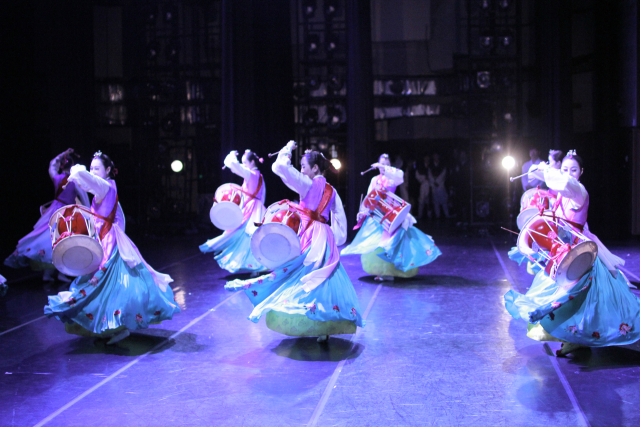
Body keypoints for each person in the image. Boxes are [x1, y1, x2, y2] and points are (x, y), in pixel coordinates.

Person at [225, 142, 363, 343]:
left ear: (314, 168)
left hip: (310, 234)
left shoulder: (307, 184)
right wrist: (337, 237)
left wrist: (287, 149)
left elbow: (280, 166)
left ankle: (305, 314)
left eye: (304, 167)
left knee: (300, 273)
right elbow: (340, 218)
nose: (302, 170)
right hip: (325, 235)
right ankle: (324, 325)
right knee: (325, 275)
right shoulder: (332, 190)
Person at [504, 150, 639, 356]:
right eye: (565, 169)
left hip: (582, 253)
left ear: (581, 172)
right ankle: (573, 338)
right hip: (564, 253)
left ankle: (580, 337)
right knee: (566, 297)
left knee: (583, 298)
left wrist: (547, 171)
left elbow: (566, 183)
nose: (569, 174)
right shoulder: (562, 194)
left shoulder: (579, 191)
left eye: (573, 170)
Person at [44, 151, 180, 345]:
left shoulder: (104, 186)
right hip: (105, 239)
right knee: (107, 288)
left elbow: (84, 177)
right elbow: (119, 216)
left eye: (97, 168)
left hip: (109, 243)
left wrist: (77, 172)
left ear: (108, 170)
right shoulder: (107, 188)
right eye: (92, 168)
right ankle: (112, 327)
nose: (93, 171)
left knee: (108, 285)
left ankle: (118, 328)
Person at [341, 153, 441, 281]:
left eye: (387, 164)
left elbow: (400, 175)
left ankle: (391, 271)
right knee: (376, 243)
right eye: (382, 164)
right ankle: (381, 272)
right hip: (377, 214)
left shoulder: (392, 179)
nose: (384, 166)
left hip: (391, 214)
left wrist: (384, 168)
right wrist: (362, 212)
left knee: (391, 242)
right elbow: (369, 198)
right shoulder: (374, 180)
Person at [4, 148, 89, 282]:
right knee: (62, 243)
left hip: (54, 211)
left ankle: (48, 274)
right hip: (66, 213)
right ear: (72, 166)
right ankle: (58, 273)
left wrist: (63, 153)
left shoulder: (56, 178)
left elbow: (52, 164)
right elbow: (84, 199)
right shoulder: (75, 181)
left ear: (62, 166)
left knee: (50, 242)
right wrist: (88, 213)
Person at [200, 149, 267, 274]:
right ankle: (256, 266)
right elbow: (262, 195)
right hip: (258, 208)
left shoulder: (250, 174)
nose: (244, 165)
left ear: (252, 162)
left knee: (244, 235)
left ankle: (254, 266)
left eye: (245, 162)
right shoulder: (260, 176)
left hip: (252, 209)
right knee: (252, 236)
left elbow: (234, 165)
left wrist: (231, 155)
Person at [429, 153, 450, 219]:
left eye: (437, 156)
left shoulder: (442, 165)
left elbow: (443, 174)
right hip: (434, 186)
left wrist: (437, 181)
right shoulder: (431, 166)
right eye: (434, 156)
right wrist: (434, 182)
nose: (436, 157)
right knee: (436, 202)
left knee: (444, 201)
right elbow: (429, 175)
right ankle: (437, 215)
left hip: (440, 186)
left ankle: (447, 215)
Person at [415, 155, 432, 221]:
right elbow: (417, 175)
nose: (427, 159)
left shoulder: (430, 166)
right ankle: (420, 215)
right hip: (423, 186)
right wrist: (423, 179)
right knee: (421, 200)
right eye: (426, 158)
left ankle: (429, 215)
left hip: (429, 186)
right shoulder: (420, 166)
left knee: (429, 201)